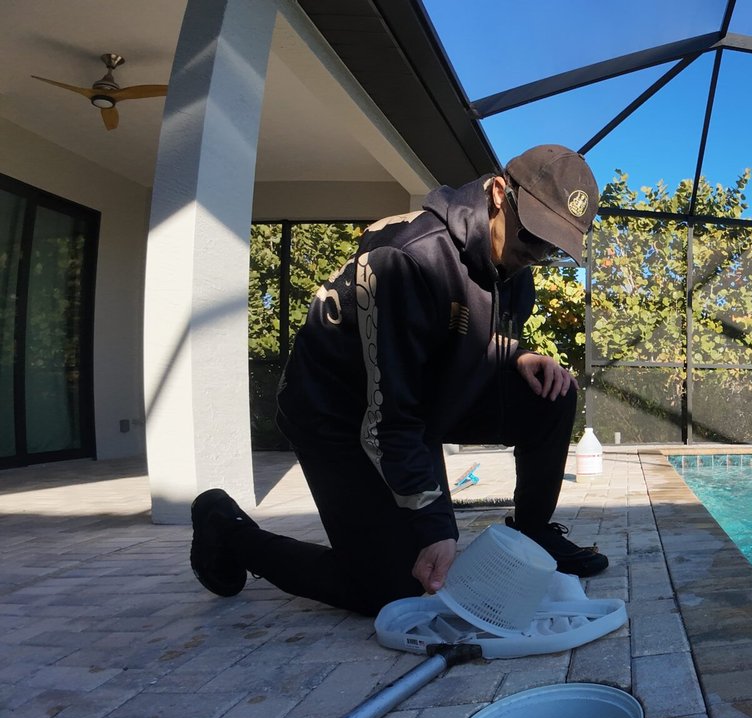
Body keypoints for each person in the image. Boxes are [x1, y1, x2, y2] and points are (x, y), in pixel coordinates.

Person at [189, 145, 607, 616]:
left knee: (553, 392)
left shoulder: (513, 271)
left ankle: (533, 533)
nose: (536, 254)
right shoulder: (405, 256)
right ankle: (227, 530)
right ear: (497, 193)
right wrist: (434, 524)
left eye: (552, 247)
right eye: (532, 235)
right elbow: (387, 416)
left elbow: (467, 337)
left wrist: (520, 354)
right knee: (393, 588)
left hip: (419, 401)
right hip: (338, 415)